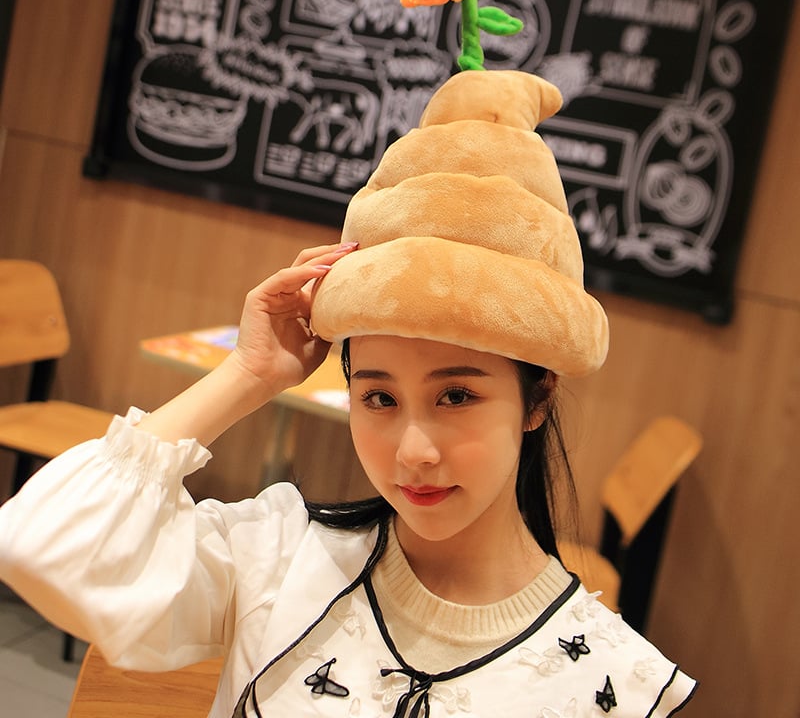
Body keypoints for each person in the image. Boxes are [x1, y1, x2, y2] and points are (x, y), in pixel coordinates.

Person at [0, 70, 695, 717]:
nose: (413, 452)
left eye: (456, 396)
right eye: (379, 398)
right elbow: (40, 546)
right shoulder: (278, 559)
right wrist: (250, 374)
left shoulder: (615, 682)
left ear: (537, 398)